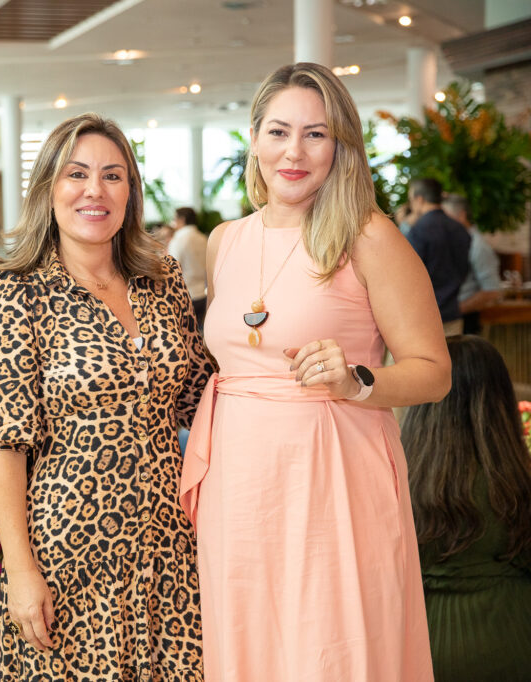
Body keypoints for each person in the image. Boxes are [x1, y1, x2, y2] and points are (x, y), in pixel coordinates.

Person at [180, 63, 450, 681]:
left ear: (342, 146)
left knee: (332, 646)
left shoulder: (368, 236)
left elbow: (434, 371)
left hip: (333, 475)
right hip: (239, 485)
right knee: (251, 643)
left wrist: (358, 380)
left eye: (316, 134)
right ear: (254, 138)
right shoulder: (226, 240)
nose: (293, 152)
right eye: (278, 132)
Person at [0, 112, 212, 680]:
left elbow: (202, 396)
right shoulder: (18, 292)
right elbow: (3, 446)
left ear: (130, 191)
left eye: (112, 175)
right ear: (49, 188)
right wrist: (22, 571)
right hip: (68, 548)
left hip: (170, 540)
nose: (94, 191)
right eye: (76, 174)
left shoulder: (163, 277)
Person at [400, 335, 531, 682]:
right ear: (502, 399)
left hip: (418, 650)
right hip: (514, 642)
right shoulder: (517, 480)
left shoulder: (394, 479)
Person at [406, 178, 471, 336]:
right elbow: (464, 269)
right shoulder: (459, 228)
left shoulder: (419, 230)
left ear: (419, 199)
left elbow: (409, 275)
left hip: (423, 316)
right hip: (452, 312)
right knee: (454, 360)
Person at [442, 194, 502, 334]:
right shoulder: (454, 242)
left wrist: (454, 310)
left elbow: (492, 290)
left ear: (462, 215)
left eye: (446, 217)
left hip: (465, 321)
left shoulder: (478, 246)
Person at [167, 206, 208, 324]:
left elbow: (171, 269)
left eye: (174, 219)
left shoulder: (179, 239)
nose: (173, 223)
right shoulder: (203, 238)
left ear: (182, 219)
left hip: (185, 296)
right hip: (203, 294)